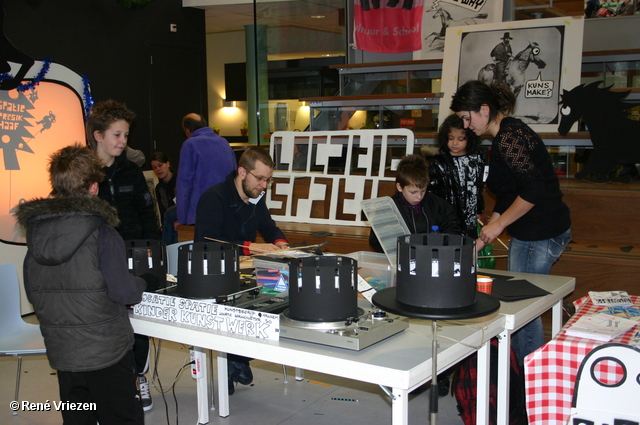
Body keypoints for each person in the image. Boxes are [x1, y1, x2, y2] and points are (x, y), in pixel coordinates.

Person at [15, 144, 147, 425]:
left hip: (64, 354)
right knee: (122, 417)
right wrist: (142, 283)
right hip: (107, 352)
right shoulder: (103, 233)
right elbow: (123, 291)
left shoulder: (36, 235)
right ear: (94, 188)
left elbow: (33, 293)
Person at [450, 80, 571, 364]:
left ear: (485, 109)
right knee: (523, 312)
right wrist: (484, 237)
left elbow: (533, 191)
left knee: (522, 315)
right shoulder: (508, 133)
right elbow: (509, 193)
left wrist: (499, 224)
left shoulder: (508, 138)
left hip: (538, 233)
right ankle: (523, 384)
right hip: (538, 230)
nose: (466, 126)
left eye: (468, 118)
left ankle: (526, 389)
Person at [194, 146, 288, 394]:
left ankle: (239, 358)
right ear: (242, 172)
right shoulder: (214, 198)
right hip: (216, 274)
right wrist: (251, 247)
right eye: (260, 179)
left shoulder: (256, 197)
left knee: (277, 298)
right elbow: (209, 244)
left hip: (246, 271)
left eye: (268, 179)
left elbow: (268, 226)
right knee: (241, 307)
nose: (264, 186)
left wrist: (282, 244)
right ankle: (234, 359)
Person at [86, 99, 158, 411]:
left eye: (126, 136)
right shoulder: (82, 171)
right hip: (95, 260)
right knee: (103, 324)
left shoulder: (131, 172)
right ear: (98, 135)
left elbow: (147, 215)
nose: (123, 142)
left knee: (138, 322)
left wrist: (153, 257)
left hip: (133, 257)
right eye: (117, 135)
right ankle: (107, 382)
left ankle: (138, 377)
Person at [369, 154, 461, 253]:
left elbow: (453, 231)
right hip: (401, 259)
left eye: (423, 190)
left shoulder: (438, 205)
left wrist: (438, 245)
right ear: (399, 187)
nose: (419, 196)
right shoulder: (387, 209)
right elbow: (376, 241)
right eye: (413, 192)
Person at [427, 114, 486, 239]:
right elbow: (431, 193)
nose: (455, 143)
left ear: (470, 139)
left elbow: (478, 188)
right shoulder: (437, 162)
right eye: (450, 138)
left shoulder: (476, 160)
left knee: (469, 247)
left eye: (461, 139)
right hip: (446, 217)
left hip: (469, 218)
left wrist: (478, 210)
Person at [176, 113, 237, 226]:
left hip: (200, 213)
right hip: (226, 211)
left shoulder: (190, 144)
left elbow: (184, 185)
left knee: (169, 217)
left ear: (187, 130)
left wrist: (182, 221)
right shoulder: (224, 142)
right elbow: (235, 177)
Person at [150, 151, 178, 245]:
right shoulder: (159, 188)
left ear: (168, 164)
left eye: (160, 165)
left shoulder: (180, 181)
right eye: (154, 167)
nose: (158, 169)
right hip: (169, 224)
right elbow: (163, 211)